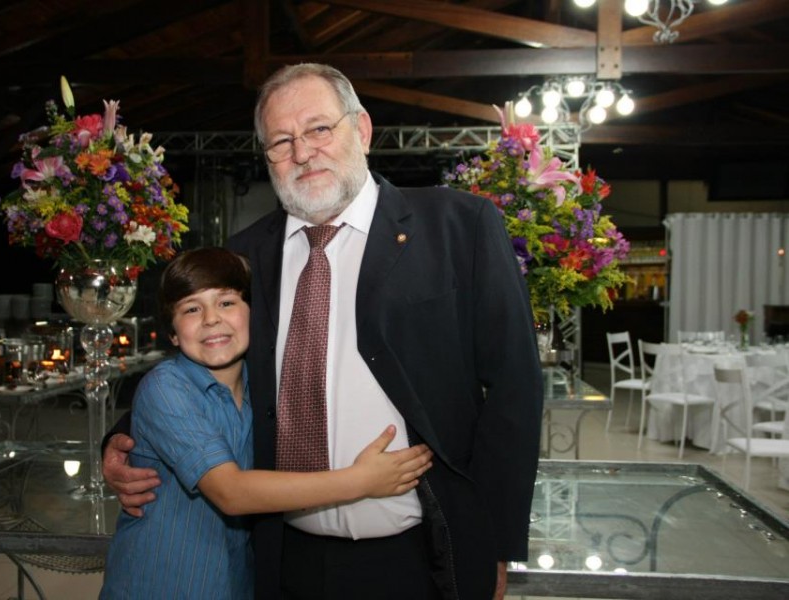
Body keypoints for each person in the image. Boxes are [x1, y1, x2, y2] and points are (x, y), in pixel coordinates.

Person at [104, 63, 543, 600]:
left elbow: (515, 386)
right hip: (282, 556)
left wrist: (496, 541)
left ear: (361, 129)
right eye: (281, 141)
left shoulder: (457, 226)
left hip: (422, 552)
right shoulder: (246, 253)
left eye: (318, 129)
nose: (303, 152)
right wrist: (124, 439)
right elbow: (203, 355)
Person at [100, 247, 433, 599]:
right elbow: (230, 492)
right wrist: (362, 480)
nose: (211, 319)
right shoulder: (167, 387)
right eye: (191, 309)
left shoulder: (264, 386)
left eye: (226, 302)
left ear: (253, 314)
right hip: (159, 586)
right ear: (172, 332)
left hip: (231, 586)